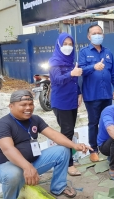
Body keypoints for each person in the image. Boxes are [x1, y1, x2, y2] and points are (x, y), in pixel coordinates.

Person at [0, 90, 92, 199]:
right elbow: (8, 149)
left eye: (31, 104)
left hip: (32, 163)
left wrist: (74, 145)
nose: (28, 108)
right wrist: (27, 167)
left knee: (63, 150)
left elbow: (54, 135)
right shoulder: (3, 124)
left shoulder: (35, 119)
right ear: (11, 106)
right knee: (13, 175)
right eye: (23, 105)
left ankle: (59, 187)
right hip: (7, 166)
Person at [78, 24, 114, 162]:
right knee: (93, 122)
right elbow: (81, 71)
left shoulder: (109, 52)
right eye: (94, 33)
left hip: (107, 94)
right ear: (89, 36)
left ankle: (107, 149)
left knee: (107, 121)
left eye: (99, 33)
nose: (97, 35)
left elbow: (113, 72)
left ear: (103, 35)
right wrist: (93, 67)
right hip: (92, 95)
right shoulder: (84, 52)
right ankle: (93, 150)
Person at [48, 32, 83, 176]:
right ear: (59, 45)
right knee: (67, 132)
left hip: (72, 100)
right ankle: (68, 165)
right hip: (61, 101)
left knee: (69, 129)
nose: (68, 47)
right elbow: (57, 80)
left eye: (70, 44)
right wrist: (72, 74)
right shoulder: (54, 61)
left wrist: (79, 93)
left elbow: (75, 81)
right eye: (65, 44)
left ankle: (66, 157)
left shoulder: (71, 61)